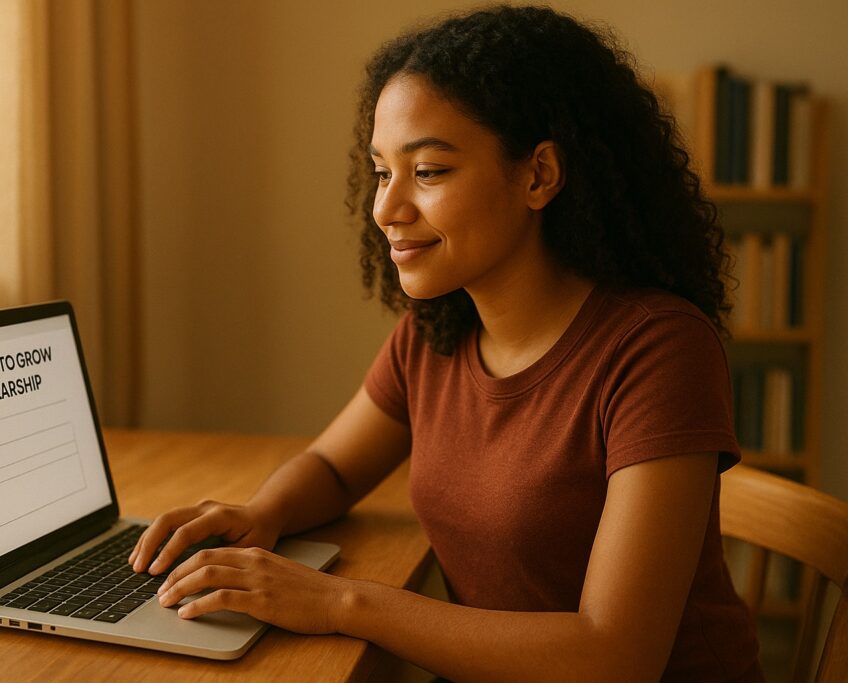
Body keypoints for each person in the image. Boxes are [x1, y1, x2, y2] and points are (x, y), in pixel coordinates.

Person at [129, 5, 763, 681]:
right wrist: (262, 512)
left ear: (539, 175)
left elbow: (614, 655)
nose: (386, 208)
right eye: (381, 171)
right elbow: (338, 468)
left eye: (428, 171)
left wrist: (341, 600)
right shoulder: (435, 333)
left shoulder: (658, 351)